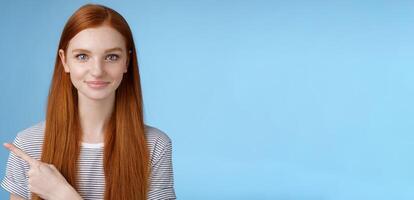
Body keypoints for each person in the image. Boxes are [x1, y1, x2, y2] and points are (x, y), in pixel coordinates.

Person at [1, 4, 176, 200]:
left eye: (111, 57)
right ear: (64, 60)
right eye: (82, 56)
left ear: (126, 62)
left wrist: (62, 194)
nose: (97, 70)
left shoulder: (154, 146)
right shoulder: (28, 144)